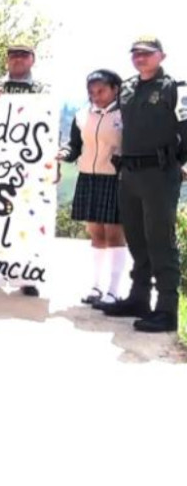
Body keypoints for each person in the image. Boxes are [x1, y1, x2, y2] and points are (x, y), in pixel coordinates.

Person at [98, 37, 185, 333]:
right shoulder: (128, 88)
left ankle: (166, 310)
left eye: (147, 53)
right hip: (131, 175)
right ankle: (138, 298)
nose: (140, 57)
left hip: (160, 175)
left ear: (162, 56)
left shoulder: (175, 88)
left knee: (161, 242)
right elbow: (99, 107)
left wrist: (179, 163)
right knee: (137, 240)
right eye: (135, 53)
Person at [0, 43, 50, 296]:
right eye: (12, 55)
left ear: (32, 59)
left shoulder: (43, 89)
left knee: (27, 219)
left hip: (29, 164)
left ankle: (25, 275)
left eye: (23, 55)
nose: (17, 59)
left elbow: (48, 124)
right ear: (6, 60)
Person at [57, 69, 126, 306]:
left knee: (114, 234)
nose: (96, 96)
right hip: (88, 176)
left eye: (101, 91)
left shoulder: (127, 114)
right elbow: (75, 145)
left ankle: (114, 291)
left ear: (115, 89)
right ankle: (96, 287)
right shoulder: (82, 114)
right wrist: (64, 153)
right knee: (96, 233)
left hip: (114, 178)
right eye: (91, 92)